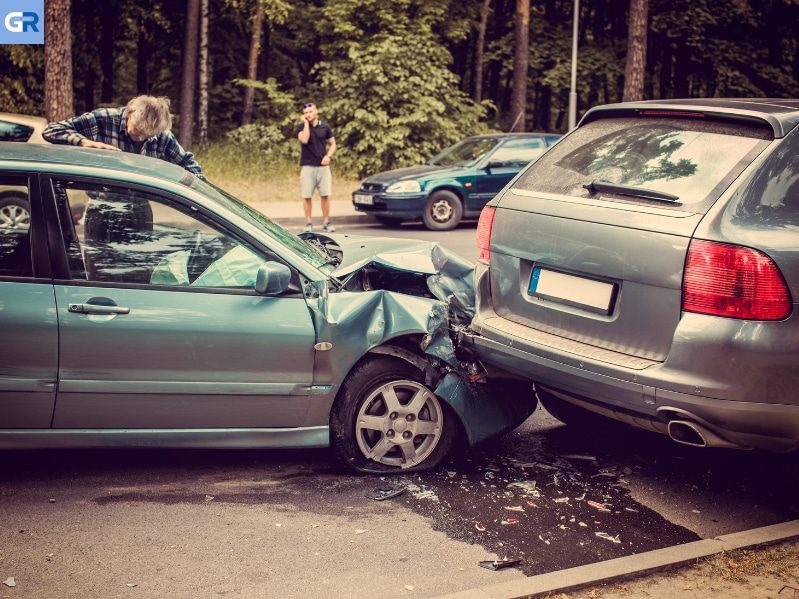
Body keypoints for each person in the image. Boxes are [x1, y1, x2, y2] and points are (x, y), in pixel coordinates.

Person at [43, 95, 205, 180]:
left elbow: (187, 164)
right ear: (129, 113)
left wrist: (205, 191)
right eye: (137, 132)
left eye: (147, 136)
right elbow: (51, 130)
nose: (141, 138)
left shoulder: (162, 136)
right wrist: (83, 142)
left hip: (140, 208)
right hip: (102, 208)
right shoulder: (103, 119)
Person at [295, 102, 336, 232]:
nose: (308, 114)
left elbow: (333, 144)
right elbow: (304, 140)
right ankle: (308, 223)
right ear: (303, 115)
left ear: (316, 111)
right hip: (307, 167)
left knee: (325, 195)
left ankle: (326, 222)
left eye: (310, 112)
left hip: (323, 168)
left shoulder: (325, 127)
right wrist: (306, 124)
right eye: (306, 113)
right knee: (307, 196)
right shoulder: (300, 128)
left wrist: (328, 156)